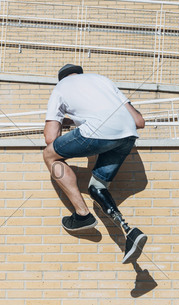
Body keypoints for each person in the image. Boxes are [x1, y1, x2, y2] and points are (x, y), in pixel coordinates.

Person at [43, 64, 148, 263]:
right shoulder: (102, 80)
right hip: (127, 135)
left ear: (62, 78)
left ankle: (82, 214)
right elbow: (139, 121)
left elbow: (50, 138)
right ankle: (129, 231)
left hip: (98, 133)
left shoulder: (60, 88)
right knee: (97, 187)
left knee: (50, 155)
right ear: (81, 75)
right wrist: (76, 121)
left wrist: (63, 123)